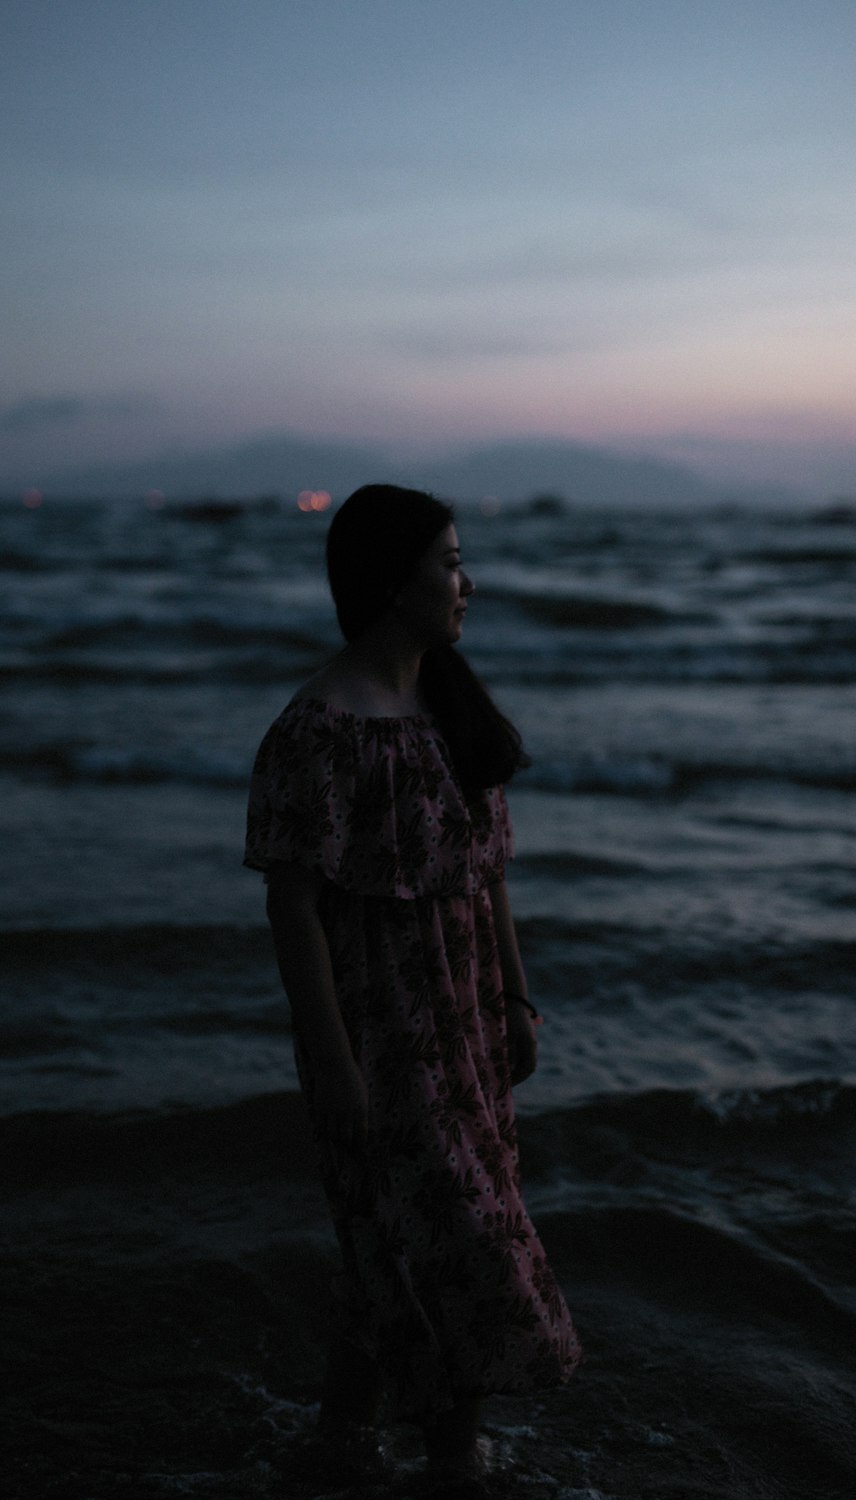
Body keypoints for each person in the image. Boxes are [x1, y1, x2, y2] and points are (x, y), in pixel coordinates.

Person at [244, 484, 580, 1489]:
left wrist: (515, 1000)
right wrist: (335, 1064)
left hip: (466, 1022)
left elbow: (488, 876)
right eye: (448, 563)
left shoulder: (450, 708)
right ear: (393, 583)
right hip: (380, 1035)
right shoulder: (315, 732)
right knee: (455, 1242)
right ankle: (454, 1459)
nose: (465, 583)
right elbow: (294, 914)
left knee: (388, 1246)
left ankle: (339, 1438)